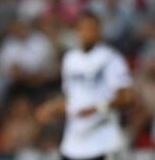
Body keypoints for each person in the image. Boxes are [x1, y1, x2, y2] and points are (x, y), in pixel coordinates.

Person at [36, 11, 134, 160]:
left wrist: (97, 108)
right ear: (77, 31)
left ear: (99, 31)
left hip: (103, 141)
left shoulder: (111, 58)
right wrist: (52, 108)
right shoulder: (70, 59)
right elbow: (71, 98)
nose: (86, 33)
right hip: (73, 143)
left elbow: (127, 99)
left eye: (91, 29)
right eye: (83, 29)